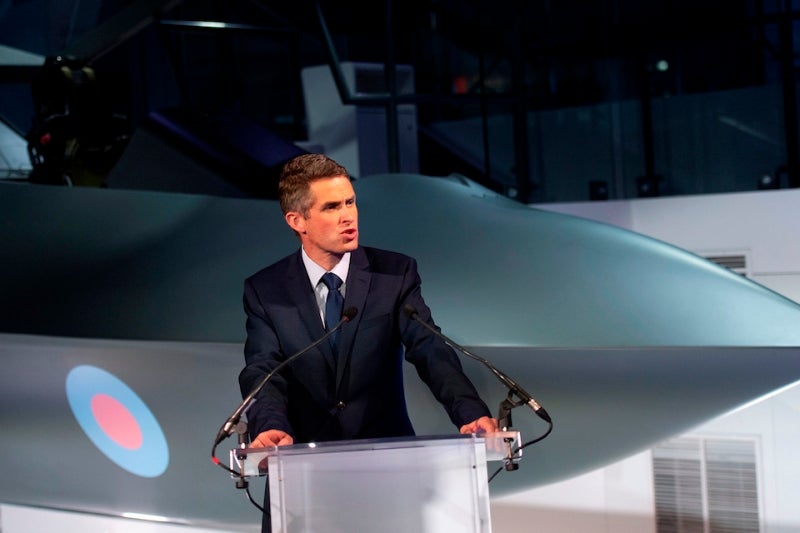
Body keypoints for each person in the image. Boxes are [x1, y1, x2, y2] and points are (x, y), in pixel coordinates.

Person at [238, 153, 498, 531]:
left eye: (350, 202)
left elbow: (429, 348)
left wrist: (469, 412)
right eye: (331, 207)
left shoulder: (394, 274)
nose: (348, 216)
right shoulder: (266, 290)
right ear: (297, 221)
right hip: (301, 477)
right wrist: (268, 426)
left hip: (386, 469)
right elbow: (263, 368)